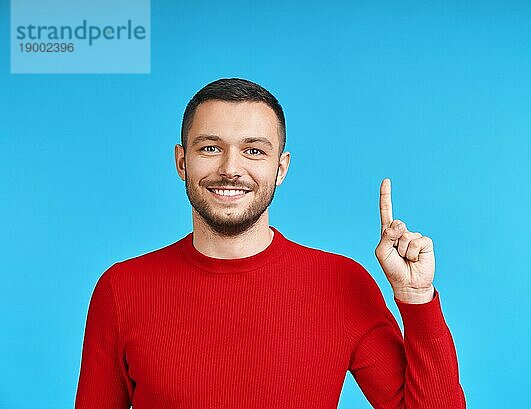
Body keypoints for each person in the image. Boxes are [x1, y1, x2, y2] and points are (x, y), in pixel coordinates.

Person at [74, 78, 466, 408]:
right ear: (182, 162)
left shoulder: (341, 282)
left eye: (254, 151)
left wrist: (417, 298)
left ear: (281, 168)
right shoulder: (121, 288)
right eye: (210, 148)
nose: (230, 169)